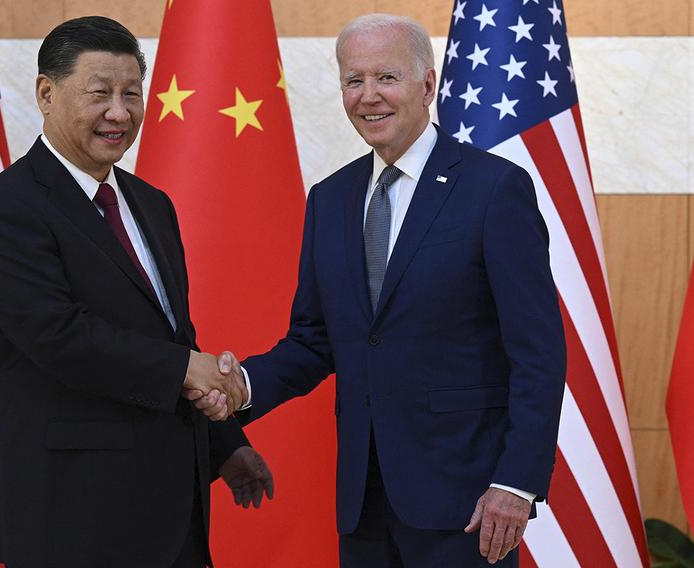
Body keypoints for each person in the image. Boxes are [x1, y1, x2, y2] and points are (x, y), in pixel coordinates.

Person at [199, 13, 566, 567]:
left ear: (426, 84)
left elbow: (537, 351)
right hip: (363, 504)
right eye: (354, 80)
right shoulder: (330, 199)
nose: (368, 96)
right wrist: (240, 388)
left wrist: (516, 483)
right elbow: (314, 340)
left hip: (468, 502)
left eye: (386, 78)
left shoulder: (494, 190)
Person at [0, 16, 273, 568]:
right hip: (74, 516)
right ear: (46, 92)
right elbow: (59, 337)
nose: (120, 112)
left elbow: (171, 333)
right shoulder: (9, 207)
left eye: (132, 93)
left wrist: (224, 445)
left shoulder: (151, 203)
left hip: (172, 511)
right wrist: (185, 368)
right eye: (100, 93)